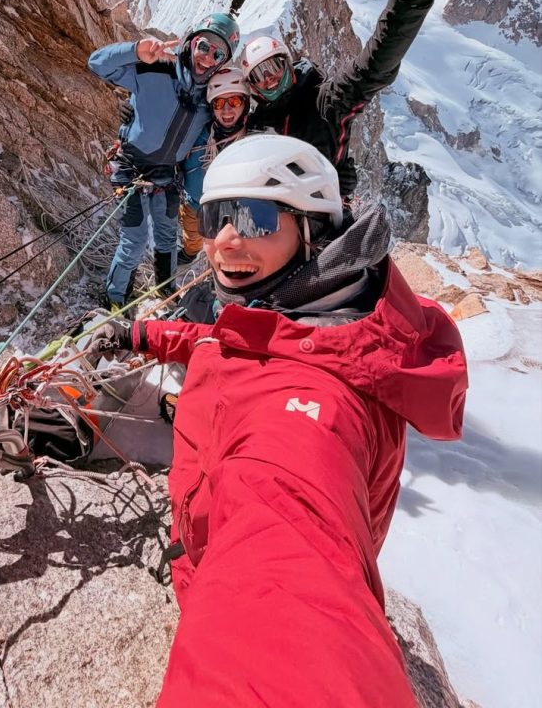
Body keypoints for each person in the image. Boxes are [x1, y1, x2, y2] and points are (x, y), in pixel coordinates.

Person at [84, 133, 468, 707]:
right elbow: (243, 343)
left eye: (256, 217)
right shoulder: (324, 319)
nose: (226, 241)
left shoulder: (305, 412)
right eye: (214, 217)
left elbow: (288, 583)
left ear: (311, 232)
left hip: (223, 576)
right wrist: (146, 334)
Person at [243, 0, 448, 201]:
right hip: (270, 220)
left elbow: (373, 66)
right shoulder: (255, 125)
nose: (268, 78)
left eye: (273, 67)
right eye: (258, 75)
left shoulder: (326, 101)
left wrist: (410, 1)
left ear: (288, 64)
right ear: (252, 87)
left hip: (323, 217)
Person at [88, 12, 239, 308]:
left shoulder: (208, 101)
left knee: (168, 239)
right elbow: (96, 64)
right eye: (204, 46)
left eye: (218, 54)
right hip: (130, 167)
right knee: (135, 240)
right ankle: (115, 299)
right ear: (190, 43)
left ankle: (164, 293)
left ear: (223, 63)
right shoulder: (154, 70)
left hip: (167, 175)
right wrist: (135, 51)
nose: (208, 57)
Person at [178, 66, 250, 264]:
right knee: (192, 237)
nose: (226, 110)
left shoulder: (254, 138)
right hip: (194, 204)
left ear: (246, 103)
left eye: (234, 101)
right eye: (219, 103)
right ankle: (190, 253)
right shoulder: (195, 132)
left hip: (232, 211)